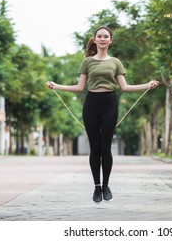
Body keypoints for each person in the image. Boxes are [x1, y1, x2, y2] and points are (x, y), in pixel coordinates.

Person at [45, 26, 159, 203]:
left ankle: (106, 185)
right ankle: (96, 187)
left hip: (109, 104)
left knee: (105, 148)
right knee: (95, 148)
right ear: (95, 39)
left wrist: (147, 85)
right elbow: (79, 87)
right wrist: (57, 86)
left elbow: (125, 87)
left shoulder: (115, 62)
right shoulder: (87, 62)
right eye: (100, 36)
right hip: (91, 104)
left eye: (106, 36)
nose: (103, 39)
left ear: (110, 40)